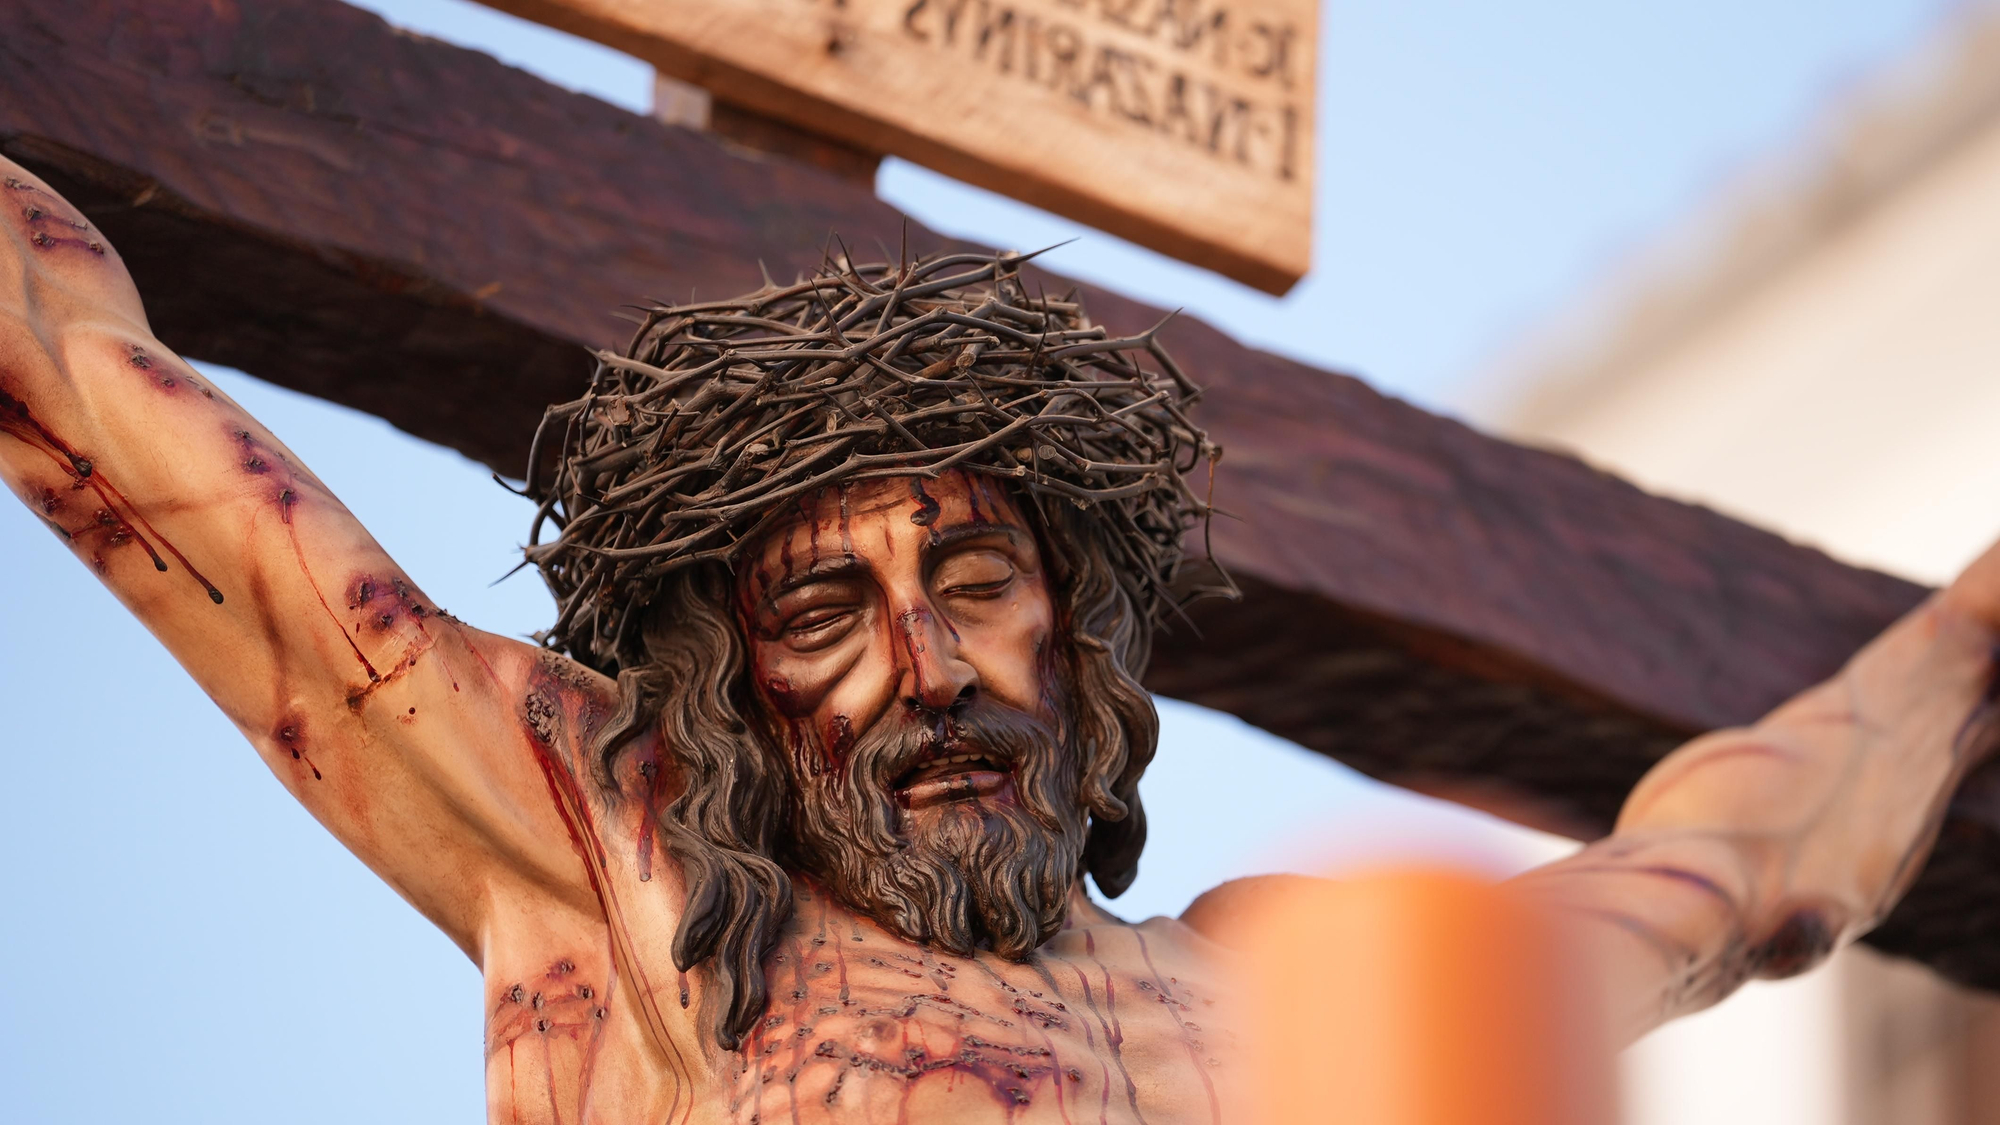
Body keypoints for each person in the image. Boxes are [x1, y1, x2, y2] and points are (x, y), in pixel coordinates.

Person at [4, 153, 1996, 1123]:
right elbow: (117, 420)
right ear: (731, 690)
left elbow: (1746, 866)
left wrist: (1977, 626)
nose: (922, 661)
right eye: (823, 608)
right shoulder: (638, 880)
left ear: (1077, 634)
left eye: (973, 582)